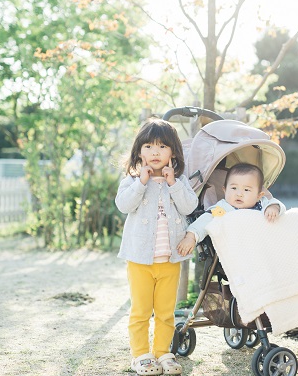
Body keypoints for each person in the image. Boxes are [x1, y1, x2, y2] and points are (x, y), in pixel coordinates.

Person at [115, 118, 198, 376]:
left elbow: (189, 207)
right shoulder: (132, 179)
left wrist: (173, 183)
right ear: (139, 151)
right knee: (140, 311)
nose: (155, 152)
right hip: (140, 260)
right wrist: (141, 182)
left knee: (165, 312)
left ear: (173, 152)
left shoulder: (179, 180)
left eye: (162, 147)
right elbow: (123, 205)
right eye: (149, 146)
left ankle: (163, 352)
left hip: (169, 260)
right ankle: (141, 355)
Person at [177, 162, 285, 256]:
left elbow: (277, 205)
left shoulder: (263, 204)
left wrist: (274, 208)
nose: (239, 194)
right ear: (224, 190)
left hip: (263, 248)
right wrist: (191, 237)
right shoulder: (223, 208)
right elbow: (204, 221)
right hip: (237, 251)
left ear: (259, 195)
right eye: (233, 188)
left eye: (246, 190)